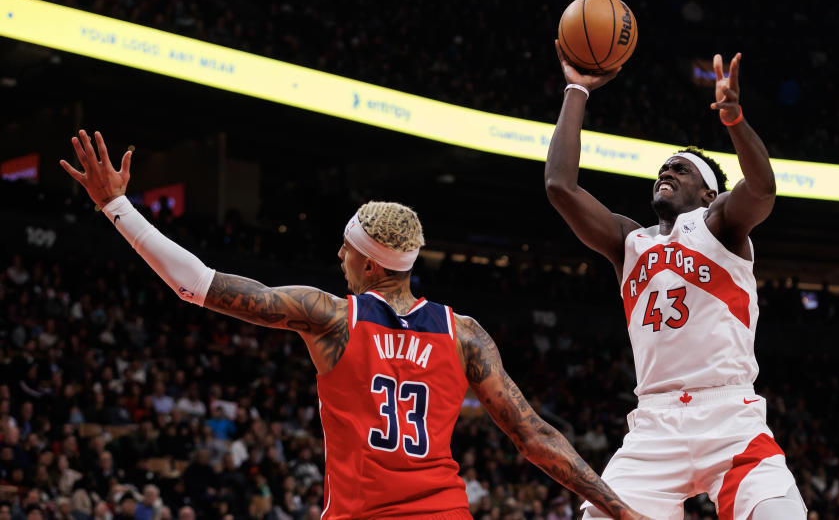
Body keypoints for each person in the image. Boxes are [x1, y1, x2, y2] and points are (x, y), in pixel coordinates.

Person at [60, 130, 647, 520]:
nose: (337, 258)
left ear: (368, 261)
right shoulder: (464, 333)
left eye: (345, 250)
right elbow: (534, 437)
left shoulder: (333, 317)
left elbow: (197, 284)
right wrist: (618, 509)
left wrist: (117, 208)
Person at [544, 42, 806, 520]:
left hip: (728, 414)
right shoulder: (629, 239)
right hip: (654, 424)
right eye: (663, 169)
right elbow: (560, 187)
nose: (666, 172)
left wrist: (734, 121)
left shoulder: (719, 223)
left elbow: (763, 189)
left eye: (680, 170)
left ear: (708, 191)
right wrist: (577, 89)